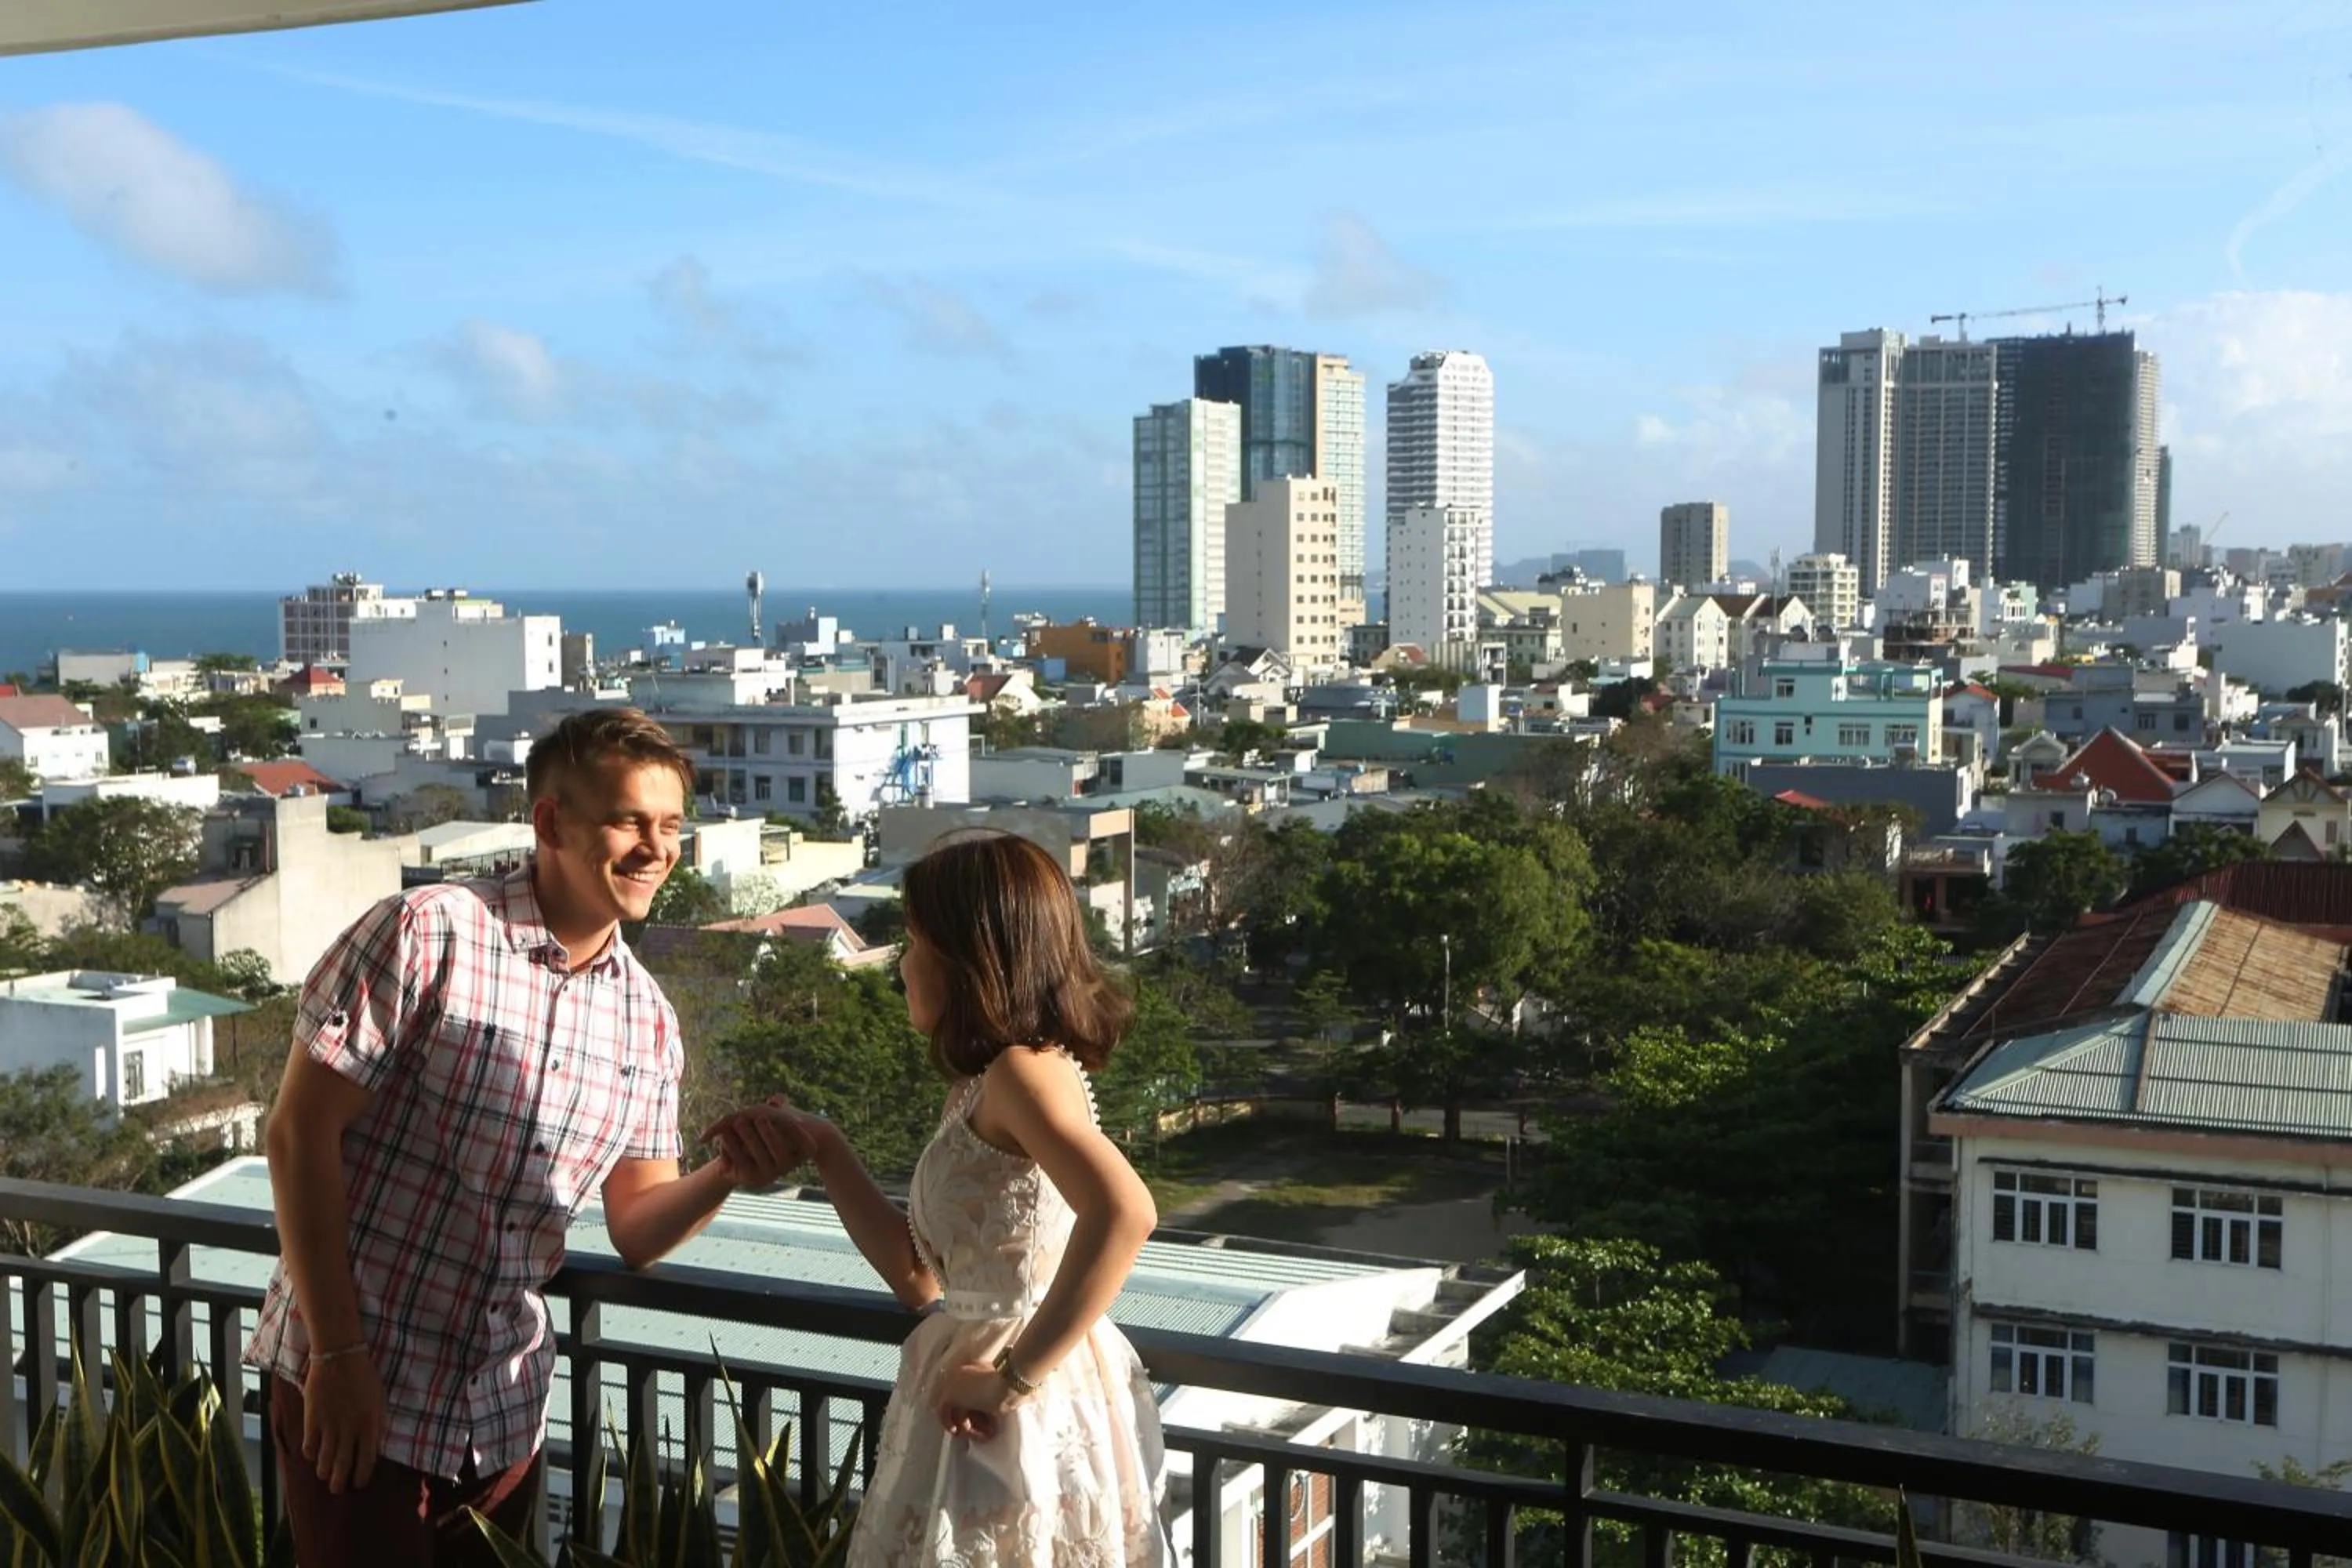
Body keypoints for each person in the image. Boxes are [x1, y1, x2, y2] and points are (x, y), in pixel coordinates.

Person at [245, 706, 806, 1567]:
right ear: (551, 821)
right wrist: (337, 1350)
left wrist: (728, 1170)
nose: (655, 848)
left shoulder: (646, 1018)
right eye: (628, 820)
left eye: (670, 826)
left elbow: (639, 1221)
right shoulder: (429, 932)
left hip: (499, 1419)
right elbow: (297, 1136)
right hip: (362, 1384)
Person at [726, 830, 1173, 1565]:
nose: (902, 965)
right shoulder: (982, 1083)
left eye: (913, 942)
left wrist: (1012, 1379)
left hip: (1013, 1407)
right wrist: (826, 1147)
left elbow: (1126, 1212)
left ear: (969, 957)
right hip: (973, 1387)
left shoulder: (1023, 1072)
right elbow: (918, 1277)